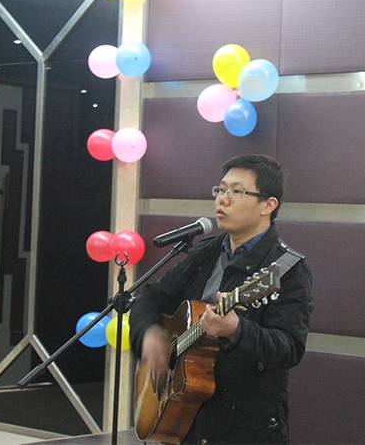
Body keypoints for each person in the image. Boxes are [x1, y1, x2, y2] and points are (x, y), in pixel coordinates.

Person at [129, 154, 314, 444]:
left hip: (245, 427)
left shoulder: (285, 270)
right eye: (221, 189)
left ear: (268, 205)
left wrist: (236, 330)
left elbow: (289, 348)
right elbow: (151, 296)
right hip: (187, 422)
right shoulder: (206, 253)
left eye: (237, 192)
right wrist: (149, 336)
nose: (222, 200)